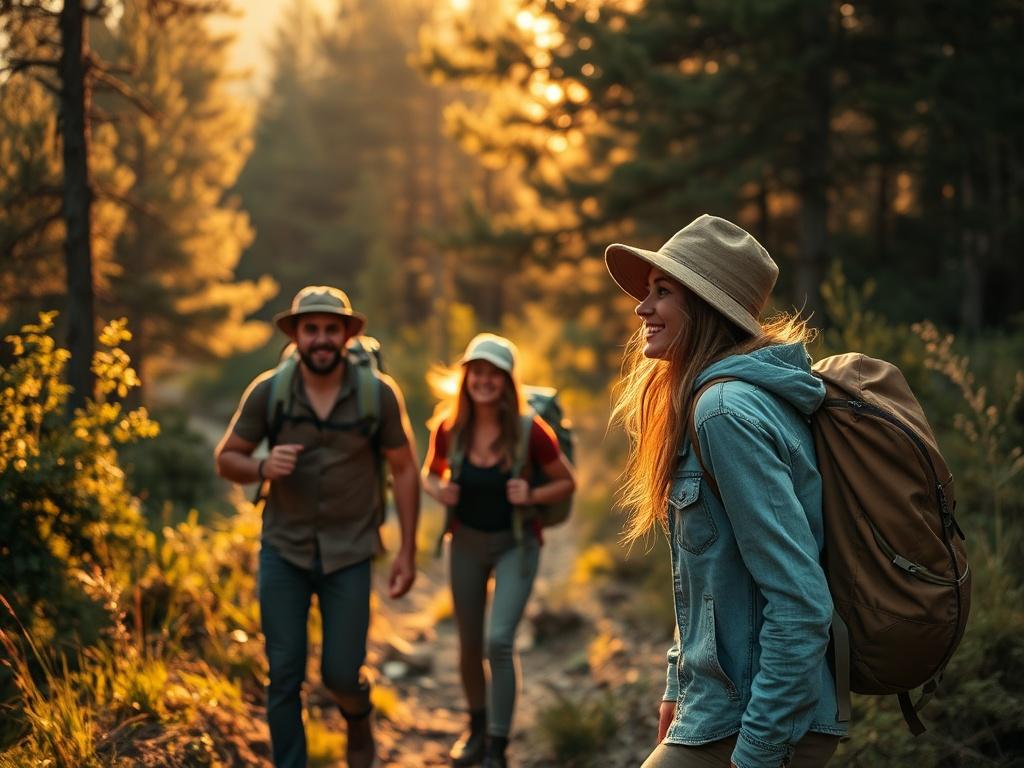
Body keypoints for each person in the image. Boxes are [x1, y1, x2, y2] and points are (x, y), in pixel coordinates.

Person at [604, 215, 848, 768]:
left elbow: (801, 601)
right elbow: (710, 576)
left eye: (662, 292)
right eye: (647, 293)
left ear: (705, 308)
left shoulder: (724, 412)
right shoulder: (719, 403)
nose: (642, 309)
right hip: (722, 710)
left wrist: (757, 752)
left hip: (757, 720)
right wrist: (676, 684)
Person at [215, 286, 420, 768]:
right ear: (297, 335)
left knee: (342, 674)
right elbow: (227, 459)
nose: (322, 339)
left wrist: (407, 551)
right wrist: (262, 467)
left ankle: (358, 718)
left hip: (350, 552)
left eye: (332, 328)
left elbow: (405, 468)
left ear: (348, 334)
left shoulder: (378, 394)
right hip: (282, 550)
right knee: (284, 674)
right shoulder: (269, 391)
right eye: (312, 329)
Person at [421, 334, 575, 768]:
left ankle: (497, 747)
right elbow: (427, 474)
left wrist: (531, 494)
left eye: (494, 374)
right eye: (477, 373)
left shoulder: (530, 430)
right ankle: (475, 728)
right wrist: (440, 490)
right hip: (465, 544)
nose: (484, 382)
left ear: (507, 381)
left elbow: (567, 481)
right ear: (466, 377)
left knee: (499, 642)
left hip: (516, 545)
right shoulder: (449, 428)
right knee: (469, 644)